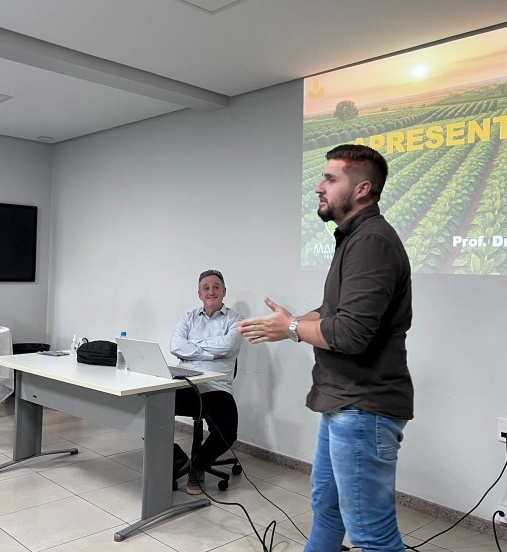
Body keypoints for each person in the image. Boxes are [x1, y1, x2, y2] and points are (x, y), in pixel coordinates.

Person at [238, 144, 413, 551]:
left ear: (363, 189)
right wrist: (293, 323)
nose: (319, 187)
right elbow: (336, 311)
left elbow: (351, 333)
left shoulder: (372, 242)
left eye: (330, 179)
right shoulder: (354, 239)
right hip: (344, 404)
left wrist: (295, 327)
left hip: (364, 408)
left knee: (372, 533)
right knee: (327, 506)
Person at [170, 269, 243, 495]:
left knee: (228, 431)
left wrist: (194, 346)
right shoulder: (188, 318)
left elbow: (229, 346)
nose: (211, 291)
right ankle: (177, 457)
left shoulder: (236, 320)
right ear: (200, 294)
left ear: (224, 291)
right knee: (146, 409)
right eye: (206, 288)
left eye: (216, 287)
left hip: (216, 389)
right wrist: (211, 353)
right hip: (184, 384)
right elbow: (175, 345)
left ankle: (198, 464)